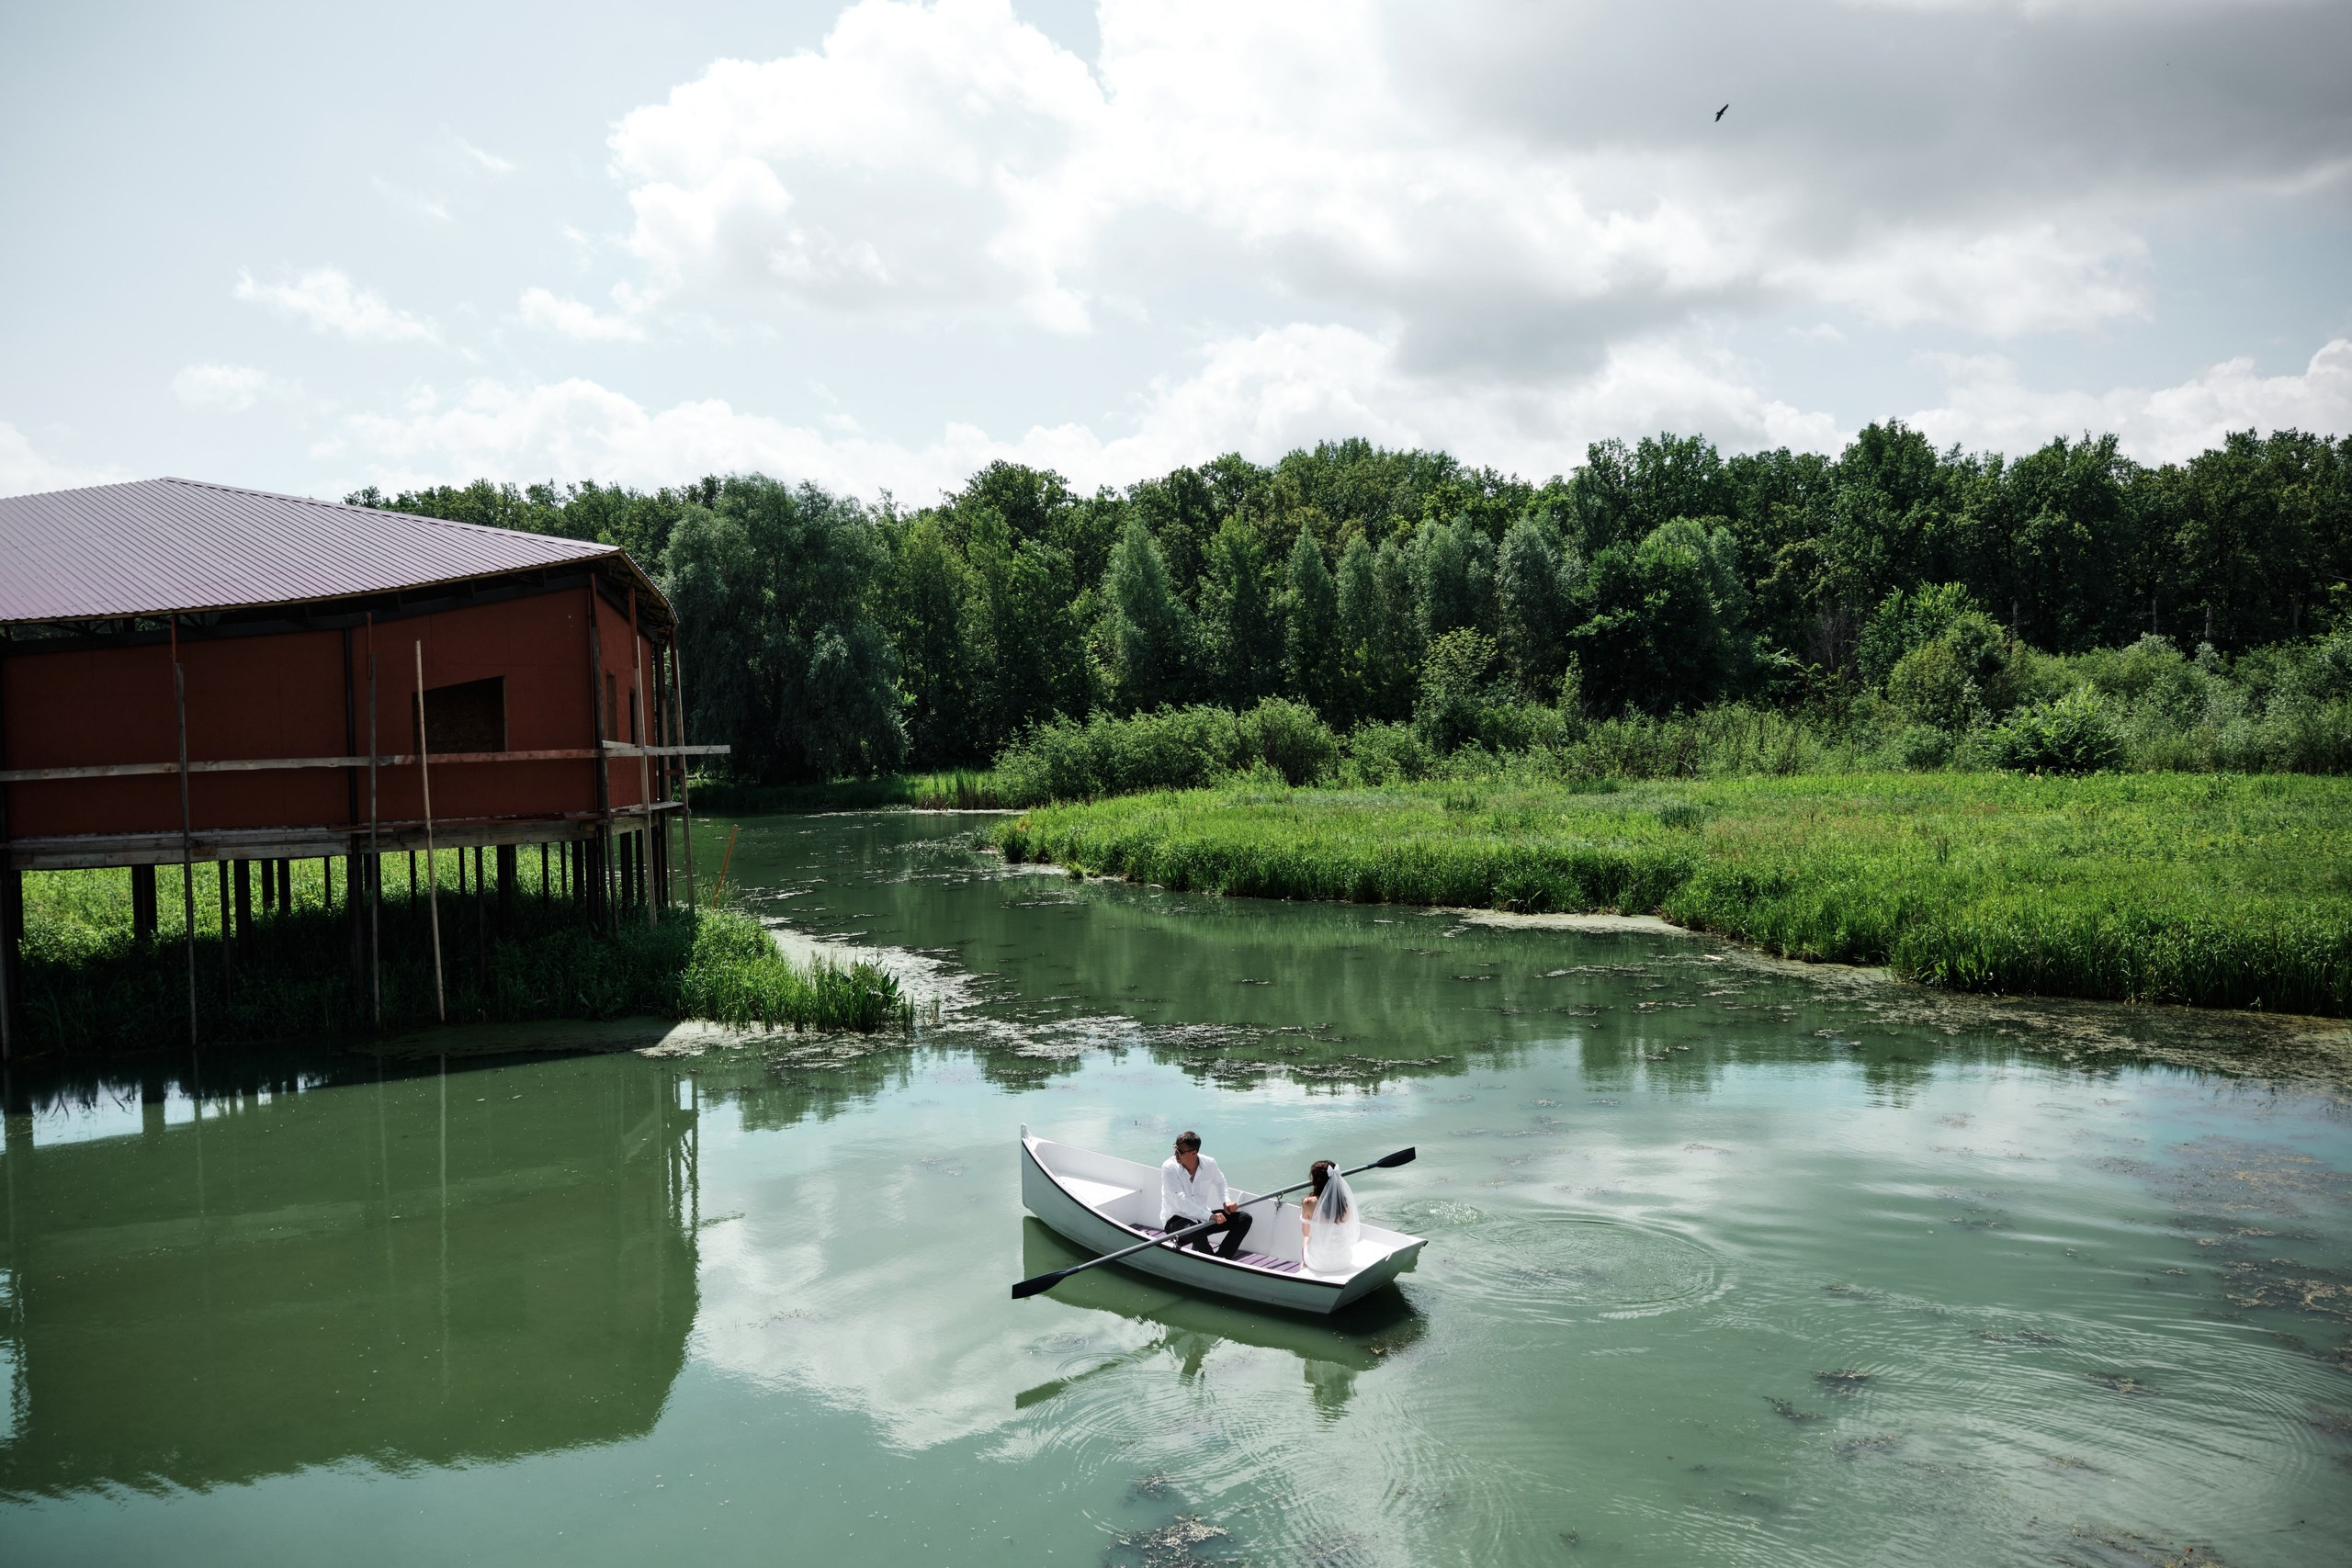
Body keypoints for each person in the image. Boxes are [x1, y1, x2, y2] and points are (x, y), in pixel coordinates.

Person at [1159, 1131, 1254, 1258]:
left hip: (1201, 1217)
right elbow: (1180, 1202)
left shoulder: (1209, 1163)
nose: (1175, 1154)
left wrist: (1226, 1201)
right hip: (1176, 1220)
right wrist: (1210, 1216)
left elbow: (1220, 1182)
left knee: (1244, 1219)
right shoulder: (1169, 1167)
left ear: (1194, 1152)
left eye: (1180, 1151)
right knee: (1197, 1231)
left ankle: (1222, 1258)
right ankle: (1213, 1262)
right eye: (1175, 1148)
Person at [1301, 1158, 1361, 1275]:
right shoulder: (1345, 1203)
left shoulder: (1309, 1202)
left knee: (1306, 1240)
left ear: (1315, 1181)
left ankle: (1304, 1267)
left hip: (1319, 1264)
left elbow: (1306, 1232)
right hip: (1344, 1261)